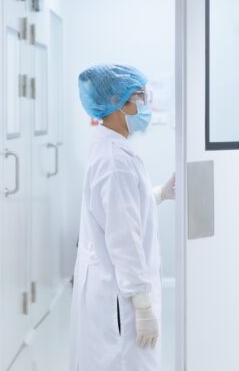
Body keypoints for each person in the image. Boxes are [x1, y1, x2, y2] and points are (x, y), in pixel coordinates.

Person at [70, 64, 175, 371]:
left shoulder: (110, 147)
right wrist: (142, 306)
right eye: (140, 96)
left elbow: (120, 213)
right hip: (120, 302)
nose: (145, 104)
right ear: (118, 103)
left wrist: (159, 194)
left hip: (113, 292)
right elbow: (123, 238)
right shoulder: (115, 160)